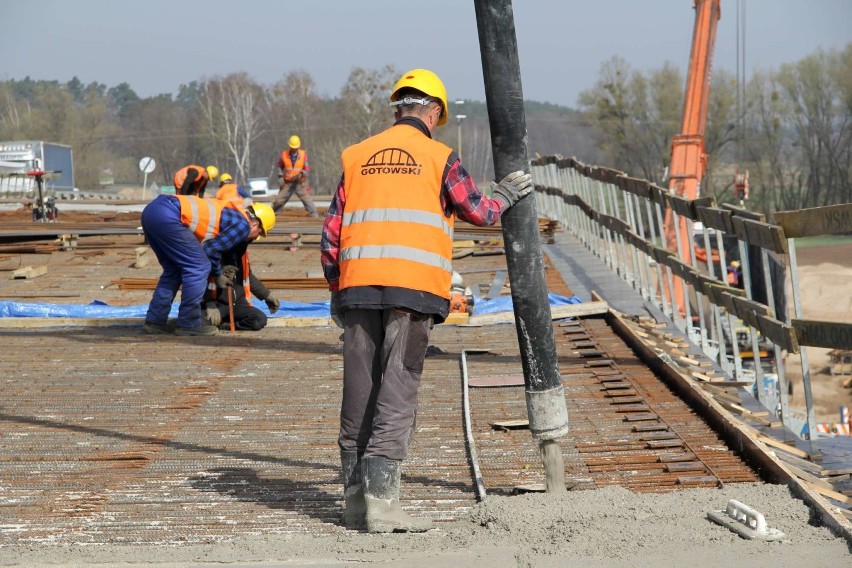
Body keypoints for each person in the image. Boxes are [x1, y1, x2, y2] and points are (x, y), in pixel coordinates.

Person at [320, 68, 532, 533]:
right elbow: (477, 210)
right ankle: (383, 505)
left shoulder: (356, 156)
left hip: (356, 289)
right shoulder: (439, 156)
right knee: (398, 387)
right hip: (412, 291)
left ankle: (355, 504)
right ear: (434, 112)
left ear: (398, 107)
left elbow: (332, 231)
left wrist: (337, 291)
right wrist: (504, 197)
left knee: (359, 391)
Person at [141, 193, 274, 336]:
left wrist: (266, 294)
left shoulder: (232, 214)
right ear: (255, 224)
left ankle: (155, 322)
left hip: (152, 211)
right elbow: (210, 248)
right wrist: (218, 275)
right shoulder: (243, 226)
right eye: (259, 232)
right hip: (169, 214)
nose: (255, 237)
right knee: (198, 266)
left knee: (173, 270)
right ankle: (188, 324)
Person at [202, 240, 281, 331]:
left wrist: (267, 295)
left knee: (259, 319)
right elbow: (198, 280)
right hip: (217, 305)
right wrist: (209, 303)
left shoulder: (241, 253)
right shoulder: (212, 252)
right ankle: (216, 321)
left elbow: (248, 276)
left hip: (238, 305)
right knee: (198, 322)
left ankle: (226, 325)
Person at [272, 135, 318, 217]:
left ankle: (314, 215)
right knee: (279, 201)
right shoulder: (284, 155)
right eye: (293, 148)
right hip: (288, 183)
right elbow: (279, 166)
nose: (294, 149)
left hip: (299, 183)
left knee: (307, 200)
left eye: (295, 148)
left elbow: (307, 169)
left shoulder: (303, 155)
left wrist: (301, 174)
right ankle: (273, 214)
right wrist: (280, 177)